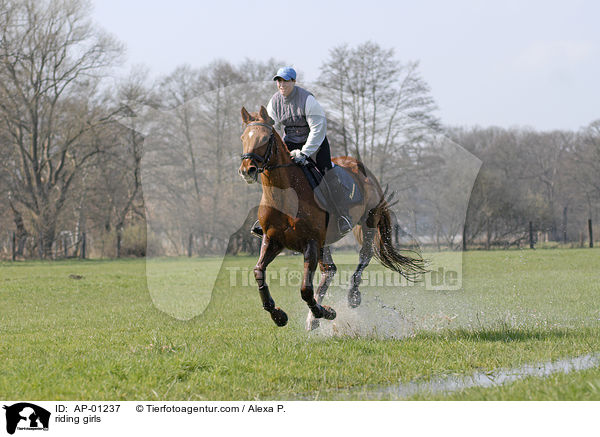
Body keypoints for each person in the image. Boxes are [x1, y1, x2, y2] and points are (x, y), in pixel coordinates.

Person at [251, 66, 352, 237]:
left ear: (293, 82)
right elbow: (269, 126)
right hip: (289, 143)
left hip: (315, 144)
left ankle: (343, 216)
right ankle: (268, 217)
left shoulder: (307, 100)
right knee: (274, 174)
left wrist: (305, 153)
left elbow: (318, 130)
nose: (281, 85)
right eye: (279, 81)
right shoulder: (274, 101)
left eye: (285, 81)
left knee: (328, 173)